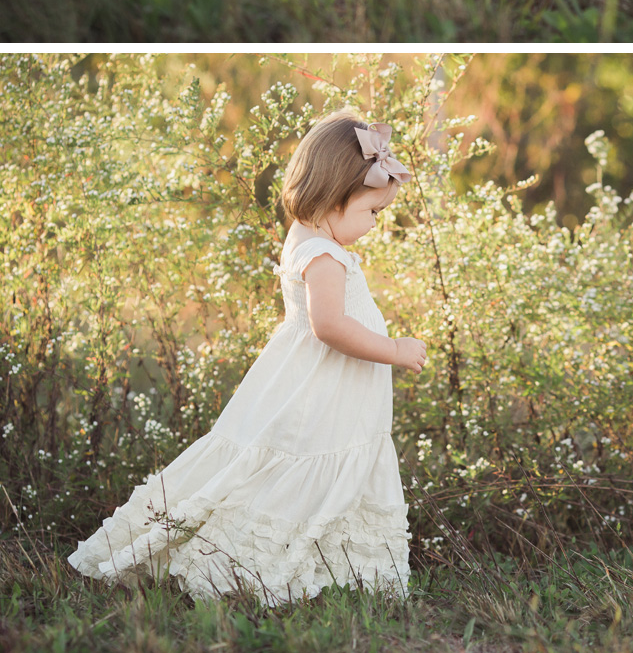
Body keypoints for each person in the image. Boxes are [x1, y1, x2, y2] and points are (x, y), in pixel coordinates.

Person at [68, 115, 423, 605]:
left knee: (295, 464)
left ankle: (320, 565)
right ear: (333, 197)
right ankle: (257, 565)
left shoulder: (308, 234)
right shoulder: (324, 256)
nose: (376, 224)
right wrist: (395, 350)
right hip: (321, 389)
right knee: (301, 465)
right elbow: (330, 325)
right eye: (373, 211)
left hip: (315, 383)